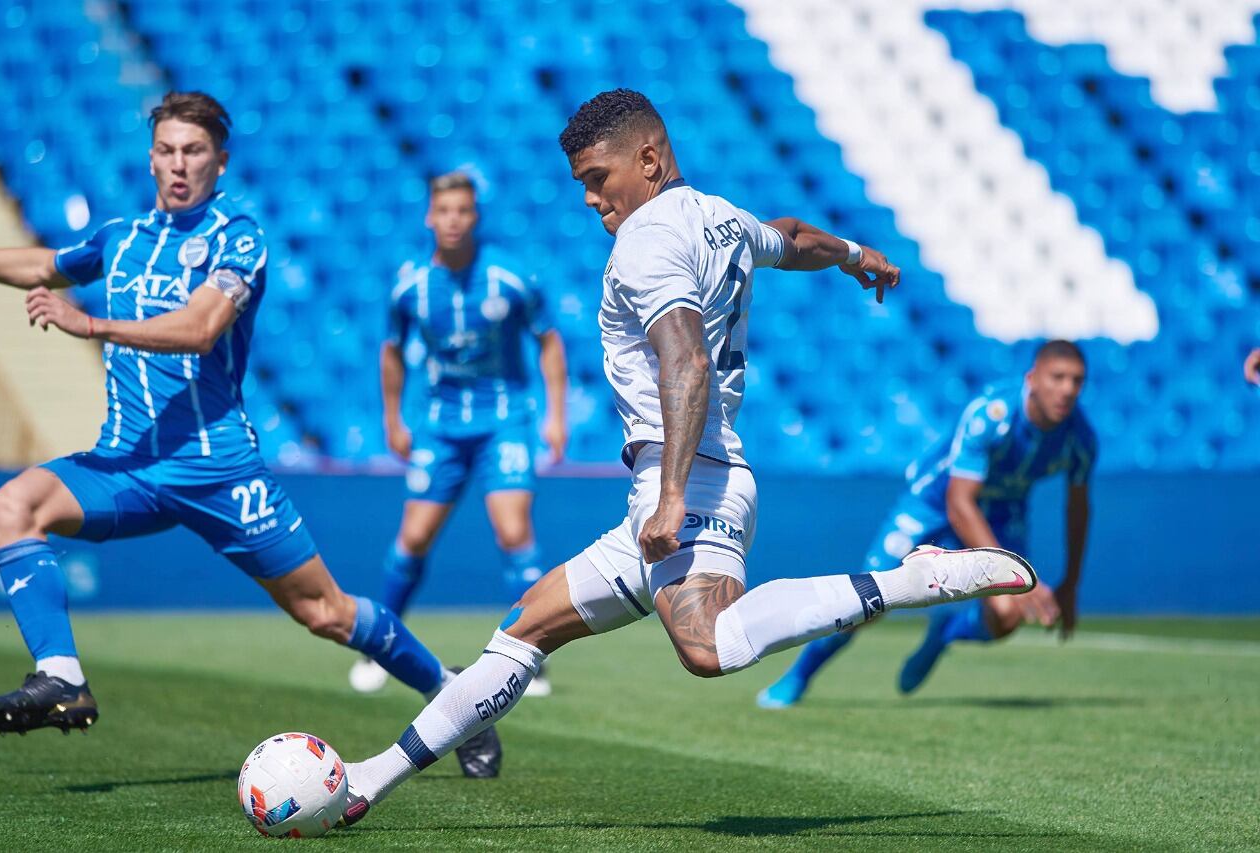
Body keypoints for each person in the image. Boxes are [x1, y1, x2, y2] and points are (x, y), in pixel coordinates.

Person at [333, 89, 1037, 825]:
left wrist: (670, 494)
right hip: (669, 485)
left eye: (598, 177)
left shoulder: (644, 242)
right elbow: (790, 237)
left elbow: (687, 360)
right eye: (581, 183)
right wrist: (855, 256)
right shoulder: (717, 215)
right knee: (523, 629)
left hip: (690, 481)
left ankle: (909, 580)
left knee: (709, 647)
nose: (590, 197)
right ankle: (366, 782)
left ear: (649, 158)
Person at [0, 91, 498, 778]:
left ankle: (455, 697)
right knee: (11, 506)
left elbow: (199, 330)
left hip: (218, 469)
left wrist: (93, 324)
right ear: (151, 158)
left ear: (219, 162)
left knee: (325, 611)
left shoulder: (237, 235)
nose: (178, 164)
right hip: (126, 465)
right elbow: (42, 264)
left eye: (193, 151)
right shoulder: (121, 239)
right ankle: (61, 676)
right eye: (166, 150)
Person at [758, 340, 1096, 707]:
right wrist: (1006, 565)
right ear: (1032, 378)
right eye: (1057, 377)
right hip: (934, 503)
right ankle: (800, 675)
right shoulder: (993, 414)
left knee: (1007, 615)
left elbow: (1077, 509)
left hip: (1001, 512)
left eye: (1076, 381)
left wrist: (1071, 584)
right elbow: (959, 503)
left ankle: (945, 633)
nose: (1066, 389)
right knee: (871, 602)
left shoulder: (1079, 439)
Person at [348, 172, 568, 698]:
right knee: (414, 538)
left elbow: (550, 341)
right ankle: (379, 650)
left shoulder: (511, 278)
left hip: (504, 421)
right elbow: (391, 352)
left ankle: (530, 662)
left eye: (463, 210)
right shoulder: (409, 285)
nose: (453, 219)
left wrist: (555, 416)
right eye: (443, 210)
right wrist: (393, 418)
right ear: (430, 216)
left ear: (476, 216)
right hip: (441, 427)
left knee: (514, 535)